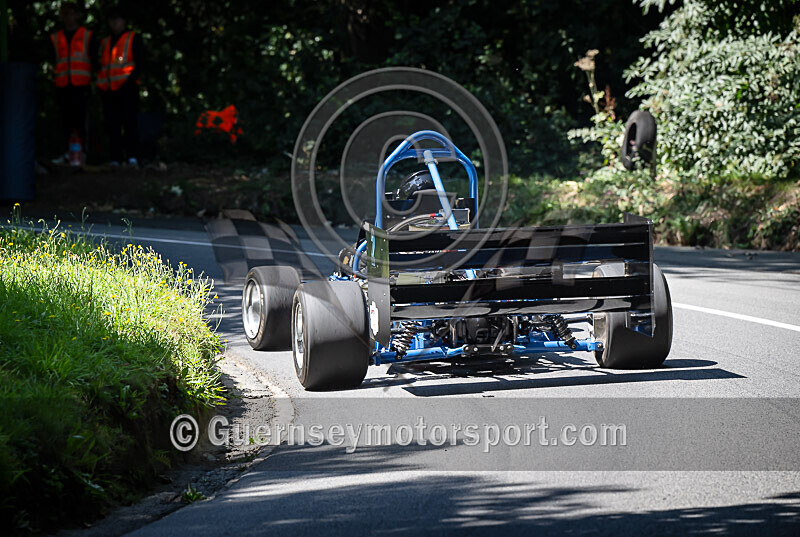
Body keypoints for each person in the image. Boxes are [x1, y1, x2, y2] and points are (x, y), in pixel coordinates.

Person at [97, 7, 144, 167]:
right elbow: (101, 65)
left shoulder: (133, 38)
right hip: (108, 89)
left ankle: (133, 156)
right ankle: (115, 158)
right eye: (112, 19)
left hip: (127, 88)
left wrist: (129, 82)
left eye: (117, 19)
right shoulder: (105, 42)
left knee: (130, 122)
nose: (114, 23)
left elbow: (140, 63)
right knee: (112, 124)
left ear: (124, 21)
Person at [50, 2, 96, 165]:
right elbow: (53, 61)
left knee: (81, 120)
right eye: (65, 14)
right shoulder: (56, 37)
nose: (68, 17)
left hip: (81, 84)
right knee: (65, 121)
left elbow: (94, 60)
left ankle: (82, 154)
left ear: (77, 15)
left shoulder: (87, 35)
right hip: (63, 84)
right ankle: (66, 153)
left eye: (71, 13)